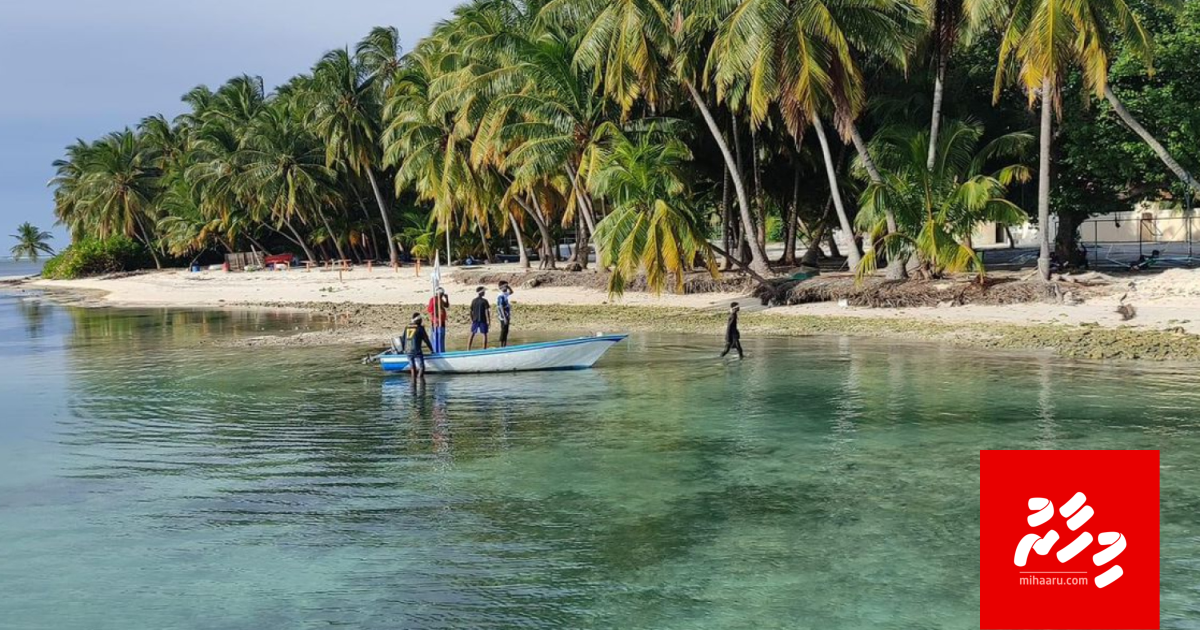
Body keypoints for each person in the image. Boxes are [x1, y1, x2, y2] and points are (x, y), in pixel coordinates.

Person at [400, 313, 434, 378]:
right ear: (418, 320)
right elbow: (426, 340)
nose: (422, 321)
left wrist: (403, 350)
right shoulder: (420, 328)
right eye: (421, 319)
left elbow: (403, 340)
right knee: (421, 367)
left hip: (407, 350)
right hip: (416, 350)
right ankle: (420, 381)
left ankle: (413, 383)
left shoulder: (407, 328)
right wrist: (432, 350)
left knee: (412, 367)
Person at [426, 287, 449, 353]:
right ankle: (435, 351)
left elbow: (446, 305)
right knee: (436, 337)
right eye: (441, 294)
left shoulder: (440, 299)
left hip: (442, 321)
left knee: (441, 336)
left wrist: (446, 298)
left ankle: (441, 351)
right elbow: (430, 310)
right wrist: (436, 318)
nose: (442, 295)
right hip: (436, 322)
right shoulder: (433, 299)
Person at [496, 282, 513, 347]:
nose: (506, 288)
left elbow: (511, 292)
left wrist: (508, 287)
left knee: (506, 330)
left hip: (507, 314)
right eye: (505, 286)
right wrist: (504, 317)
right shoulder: (501, 296)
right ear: (501, 288)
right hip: (503, 316)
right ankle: (501, 346)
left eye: (507, 286)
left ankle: (504, 345)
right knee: (503, 330)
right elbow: (500, 307)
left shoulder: (504, 294)